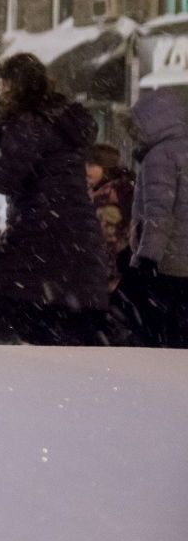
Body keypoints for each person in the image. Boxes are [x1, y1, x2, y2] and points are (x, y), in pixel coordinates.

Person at [0, 53, 108, 345]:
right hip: (78, 231)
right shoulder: (61, 118)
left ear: (12, 85)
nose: (0, 90)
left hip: (39, 228)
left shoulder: (28, 121)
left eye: (3, 83)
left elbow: (4, 178)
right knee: (60, 311)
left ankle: (15, 360)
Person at [121, 86, 188, 348]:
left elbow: (158, 214)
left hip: (167, 263)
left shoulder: (160, 156)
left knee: (157, 337)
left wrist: (147, 258)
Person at [85, 142, 135, 293]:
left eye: (92, 164)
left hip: (107, 279)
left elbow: (107, 245)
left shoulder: (107, 200)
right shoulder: (122, 190)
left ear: (106, 169)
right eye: (85, 163)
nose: (86, 169)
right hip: (122, 274)